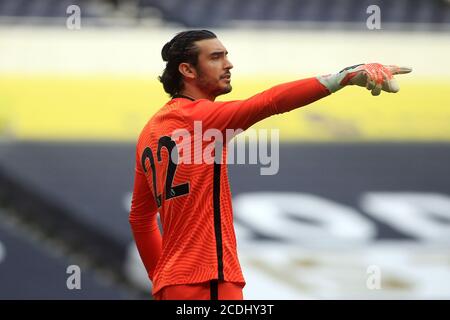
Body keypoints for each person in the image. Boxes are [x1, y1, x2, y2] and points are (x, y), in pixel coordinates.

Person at [128, 30, 411, 300]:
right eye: (216, 57)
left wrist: (164, 278)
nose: (229, 64)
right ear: (187, 71)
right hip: (209, 281)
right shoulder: (200, 118)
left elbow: (141, 220)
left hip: (175, 284)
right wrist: (346, 76)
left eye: (226, 55)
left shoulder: (150, 131)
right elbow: (269, 102)